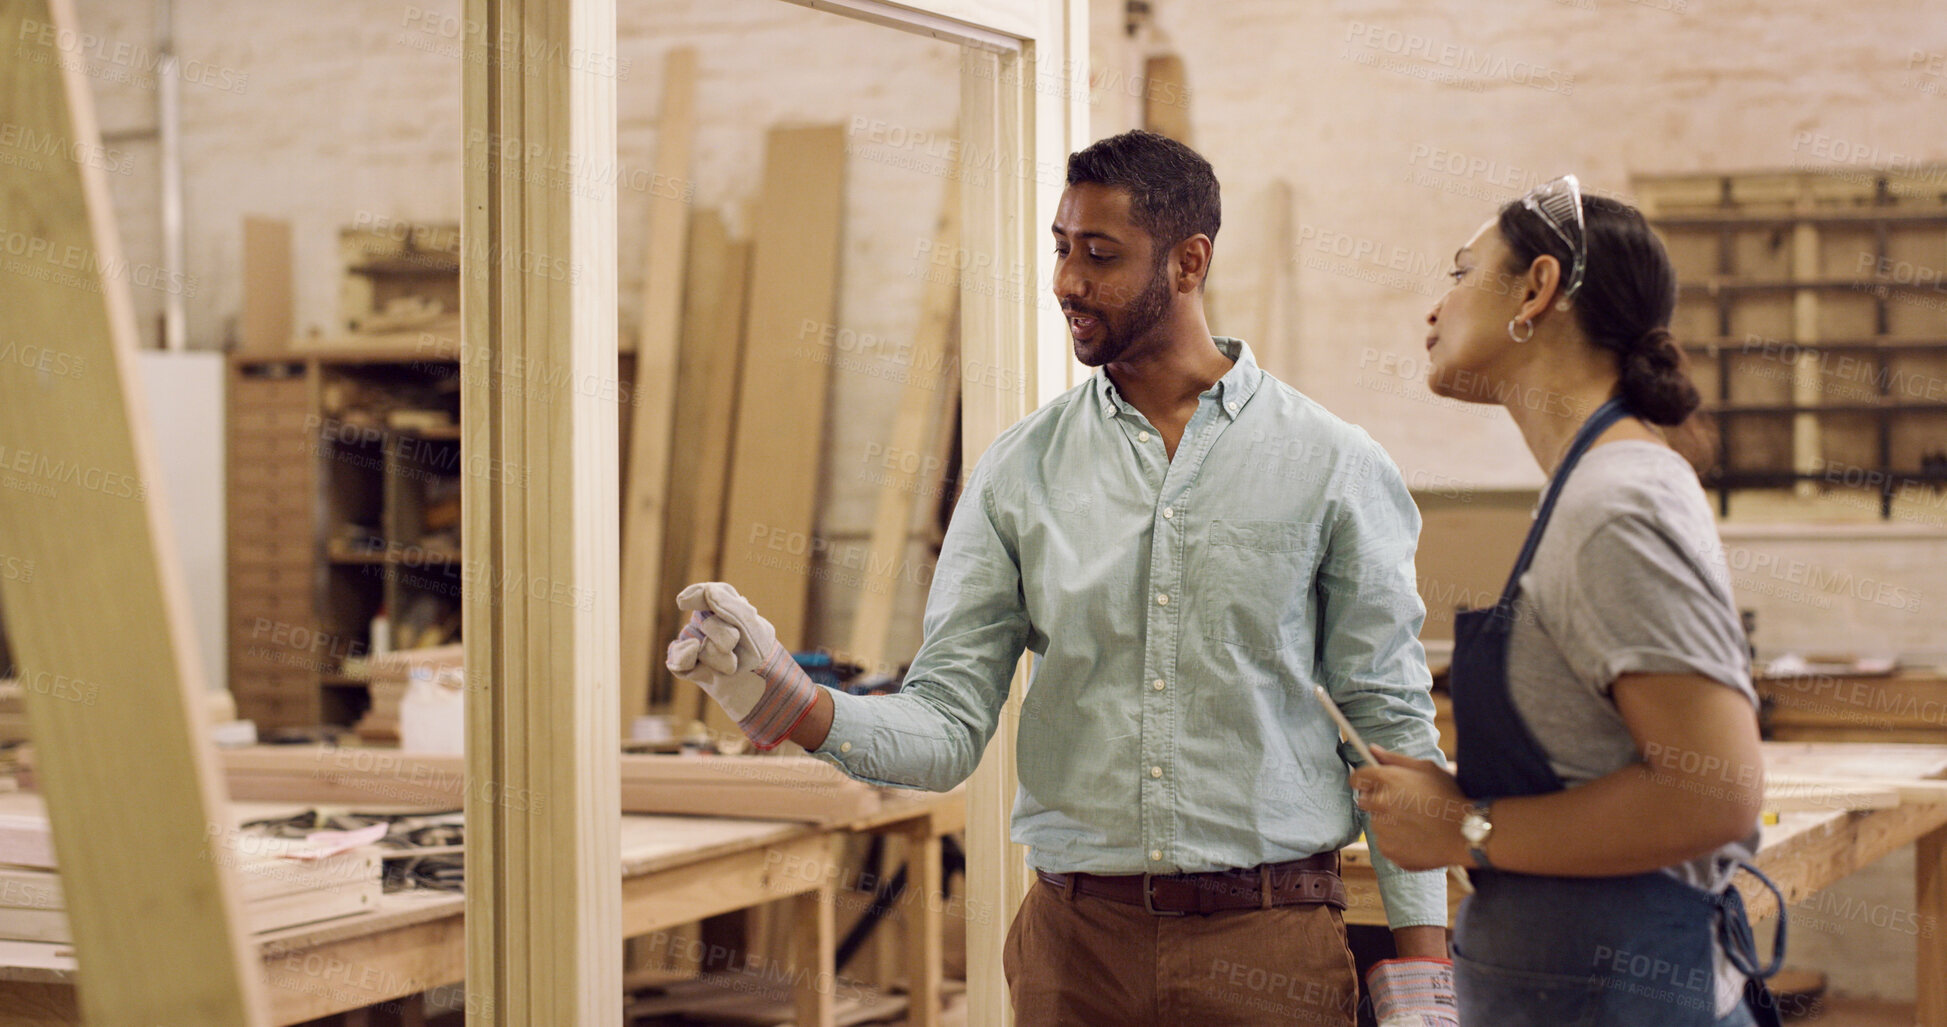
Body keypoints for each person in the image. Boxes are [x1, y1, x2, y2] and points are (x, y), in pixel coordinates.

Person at [666, 130, 1456, 1026]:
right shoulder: (1018, 469)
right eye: (1061, 247)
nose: (1066, 281)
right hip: (1074, 952)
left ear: (1189, 261)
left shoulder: (1331, 463)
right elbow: (947, 722)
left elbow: (1388, 723)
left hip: (1267, 944)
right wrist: (790, 700)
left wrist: (1423, 971)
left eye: (1099, 255)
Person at [1350, 175, 1785, 1027]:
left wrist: (1464, 828)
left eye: (1461, 272)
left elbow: (1715, 792)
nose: (1434, 308)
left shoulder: (1615, 503)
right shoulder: (1592, 486)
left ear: (1536, 290)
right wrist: (1449, 799)